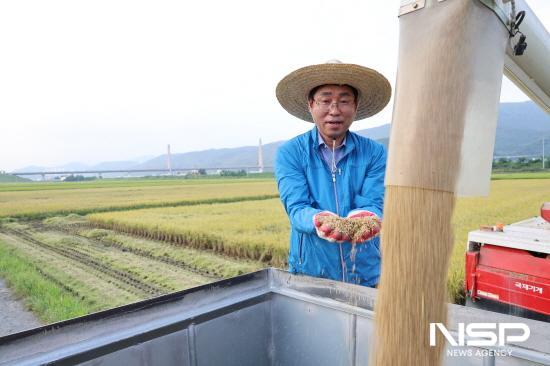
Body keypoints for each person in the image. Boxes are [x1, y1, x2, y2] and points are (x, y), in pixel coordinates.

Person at [274, 60, 391, 286]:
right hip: (311, 272)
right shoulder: (290, 153)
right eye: (325, 101)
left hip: (365, 271)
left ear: (355, 106)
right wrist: (318, 220)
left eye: (344, 101)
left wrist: (366, 216)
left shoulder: (375, 152)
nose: (334, 111)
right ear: (311, 105)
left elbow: (374, 201)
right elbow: (297, 208)